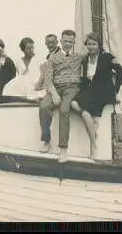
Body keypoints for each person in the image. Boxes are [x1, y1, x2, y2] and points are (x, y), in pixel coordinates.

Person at [70, 32, 122, 159]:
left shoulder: (107, 57)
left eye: (94, 44)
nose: (91, 47)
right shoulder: (85, 59)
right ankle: (94, 134)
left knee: (83, 109)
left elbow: (120, 71)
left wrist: (116, 89)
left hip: (104, 90)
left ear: (99, 45)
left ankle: (93, 146)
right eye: (89, 44)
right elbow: (85, 77)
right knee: (75, 105)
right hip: (91, 89)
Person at [39, 29, 85, 163]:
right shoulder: (53, 58)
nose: (67, 44)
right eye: (65, 41)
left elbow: (95, 56)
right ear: (61, 41)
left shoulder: (79, 56)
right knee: (44, 107)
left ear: (74, 42)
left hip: (71, 88)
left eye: (71, 41)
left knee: (64, 110)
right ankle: (46, 140)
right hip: (56, 88)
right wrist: (53, 93)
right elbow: (48, 79)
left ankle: (63, 148)